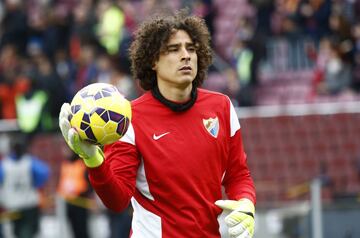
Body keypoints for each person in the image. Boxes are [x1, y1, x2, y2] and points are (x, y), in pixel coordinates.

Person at [59, 10, 256, 238]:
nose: (186, 56)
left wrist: (246, 203)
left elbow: (238, 174)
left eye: (191, 48)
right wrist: (93, 160)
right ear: (153, 61)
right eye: (174, 49)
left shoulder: (221, 106)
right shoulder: (128, 118)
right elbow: (118, 200)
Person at [0, 133, 50, 238]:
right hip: (29, 205)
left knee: (17, 233)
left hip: (13, 205)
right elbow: (44, 172)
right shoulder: (30, 162)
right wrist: (36, 184)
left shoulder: (4, 165)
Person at [57, 152, 94, 238]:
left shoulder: (82, 165)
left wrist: (85, 193)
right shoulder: (65, 165)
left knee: (82, 230)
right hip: (68, 202)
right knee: (73, 230)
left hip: (80, 202)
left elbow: (89, 184)